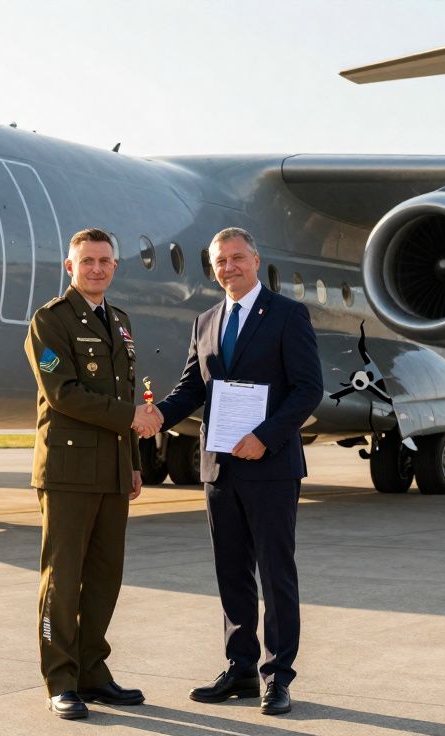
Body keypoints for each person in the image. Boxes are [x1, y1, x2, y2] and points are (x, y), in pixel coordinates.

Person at [150, 227, 323, 716]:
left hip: (270, 465)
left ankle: (277, 677)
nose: (229, 267)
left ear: (256, 259)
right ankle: (241, 667)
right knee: (232, 574)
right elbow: (191, 389)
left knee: (275, 574)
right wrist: (157, 417)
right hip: (219, 467)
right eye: (220, 261)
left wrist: (265, 436)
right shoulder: (205, 321)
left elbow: (309, 389)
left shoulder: (288, 315)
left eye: (237, 258)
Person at [24, 227, 159, 720]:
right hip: (67, 470)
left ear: (114, 267)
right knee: (63, 579)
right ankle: (60, 680)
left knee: (105, 577)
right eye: (87, 261)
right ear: (70, 267)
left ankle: (93, 672)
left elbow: (124, 395)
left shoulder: (119, 321)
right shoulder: (50, 321)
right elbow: (65, 394)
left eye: (104, 261)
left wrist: (134, 464)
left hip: (112, 471)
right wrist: (131, 420)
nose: (96, 268)